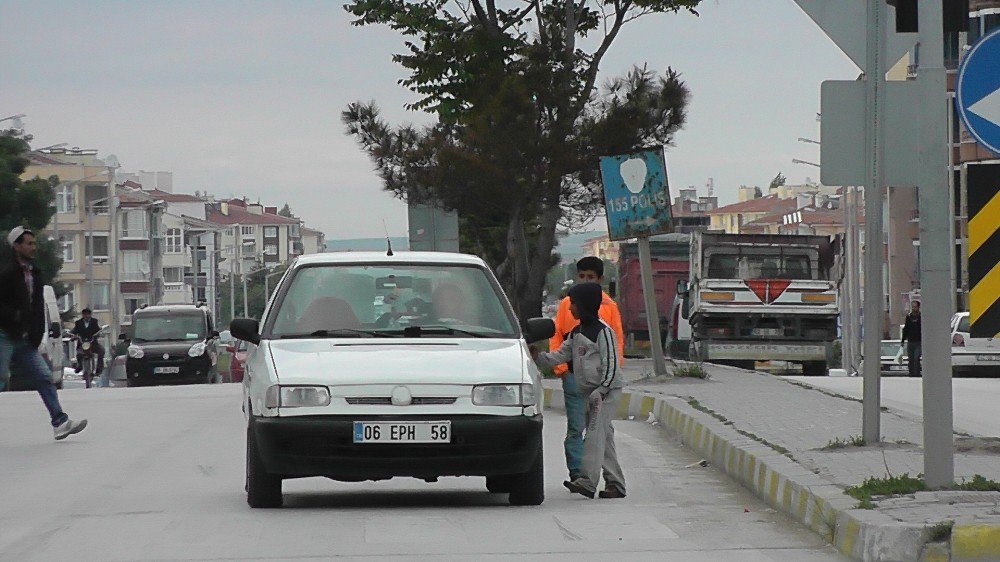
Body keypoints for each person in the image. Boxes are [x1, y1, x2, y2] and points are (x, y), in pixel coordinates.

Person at [533, 282, 626, 499]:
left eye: (573, 303)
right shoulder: (576, 333)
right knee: (604, 437)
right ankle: (616, 484)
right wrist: (538, 357)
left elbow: (611, 363)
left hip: (605, 392)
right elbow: (559, 356)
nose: (570, 308)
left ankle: (587, 481)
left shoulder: (604, 332)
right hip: (590, 392)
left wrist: (602, 390)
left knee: (593, 435)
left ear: (584, 304)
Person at [0, 227, 88, 440]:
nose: (33, 247)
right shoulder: (6, 273)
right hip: (4, 335)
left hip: (24, 339)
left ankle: (60, 422)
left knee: (44, 377)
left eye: (34, 243)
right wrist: (15, 316)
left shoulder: (35, 273)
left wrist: (36, 331)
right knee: (1, 377)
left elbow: (38, 306)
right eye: (28, 243)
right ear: (17, 246)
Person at [550, 256, 624, 482]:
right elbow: (558, 336)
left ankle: (607, 479)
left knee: (600, 431)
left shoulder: (609, 307)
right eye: (581, 276)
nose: (585, 281)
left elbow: (616, 343)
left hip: (600, 382)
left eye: (590, 277)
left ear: (600, 279)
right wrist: (561, 369)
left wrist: (608, 381)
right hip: (574, 377)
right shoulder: (566, 305)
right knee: (576, 427)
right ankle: (577, 472)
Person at [72, 308, 105, 378]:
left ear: (90, 315)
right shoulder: (78, 323)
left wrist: (99, 334)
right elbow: (74, 331)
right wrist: (72, 335)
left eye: (88, 314)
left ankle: (99, 369)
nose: (86, 316)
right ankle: (80, 366)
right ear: (82, 315)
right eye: (84, 314)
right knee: (79, 354)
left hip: (93, 343)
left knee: (102, 351)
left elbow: (98, 330)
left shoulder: (94, 321)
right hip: (82, 344)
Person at [900, 300, 922, 377]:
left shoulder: (921, 317)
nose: (913, 308)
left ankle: (917, 372)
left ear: (918, 307)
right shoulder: (909, 317)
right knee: (911, 358)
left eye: (915, 307)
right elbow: (906, 329)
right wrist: (903, 340)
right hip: (910, 341)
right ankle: (911, 372)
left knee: (916, 357)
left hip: (918, 341)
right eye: (912, 307)